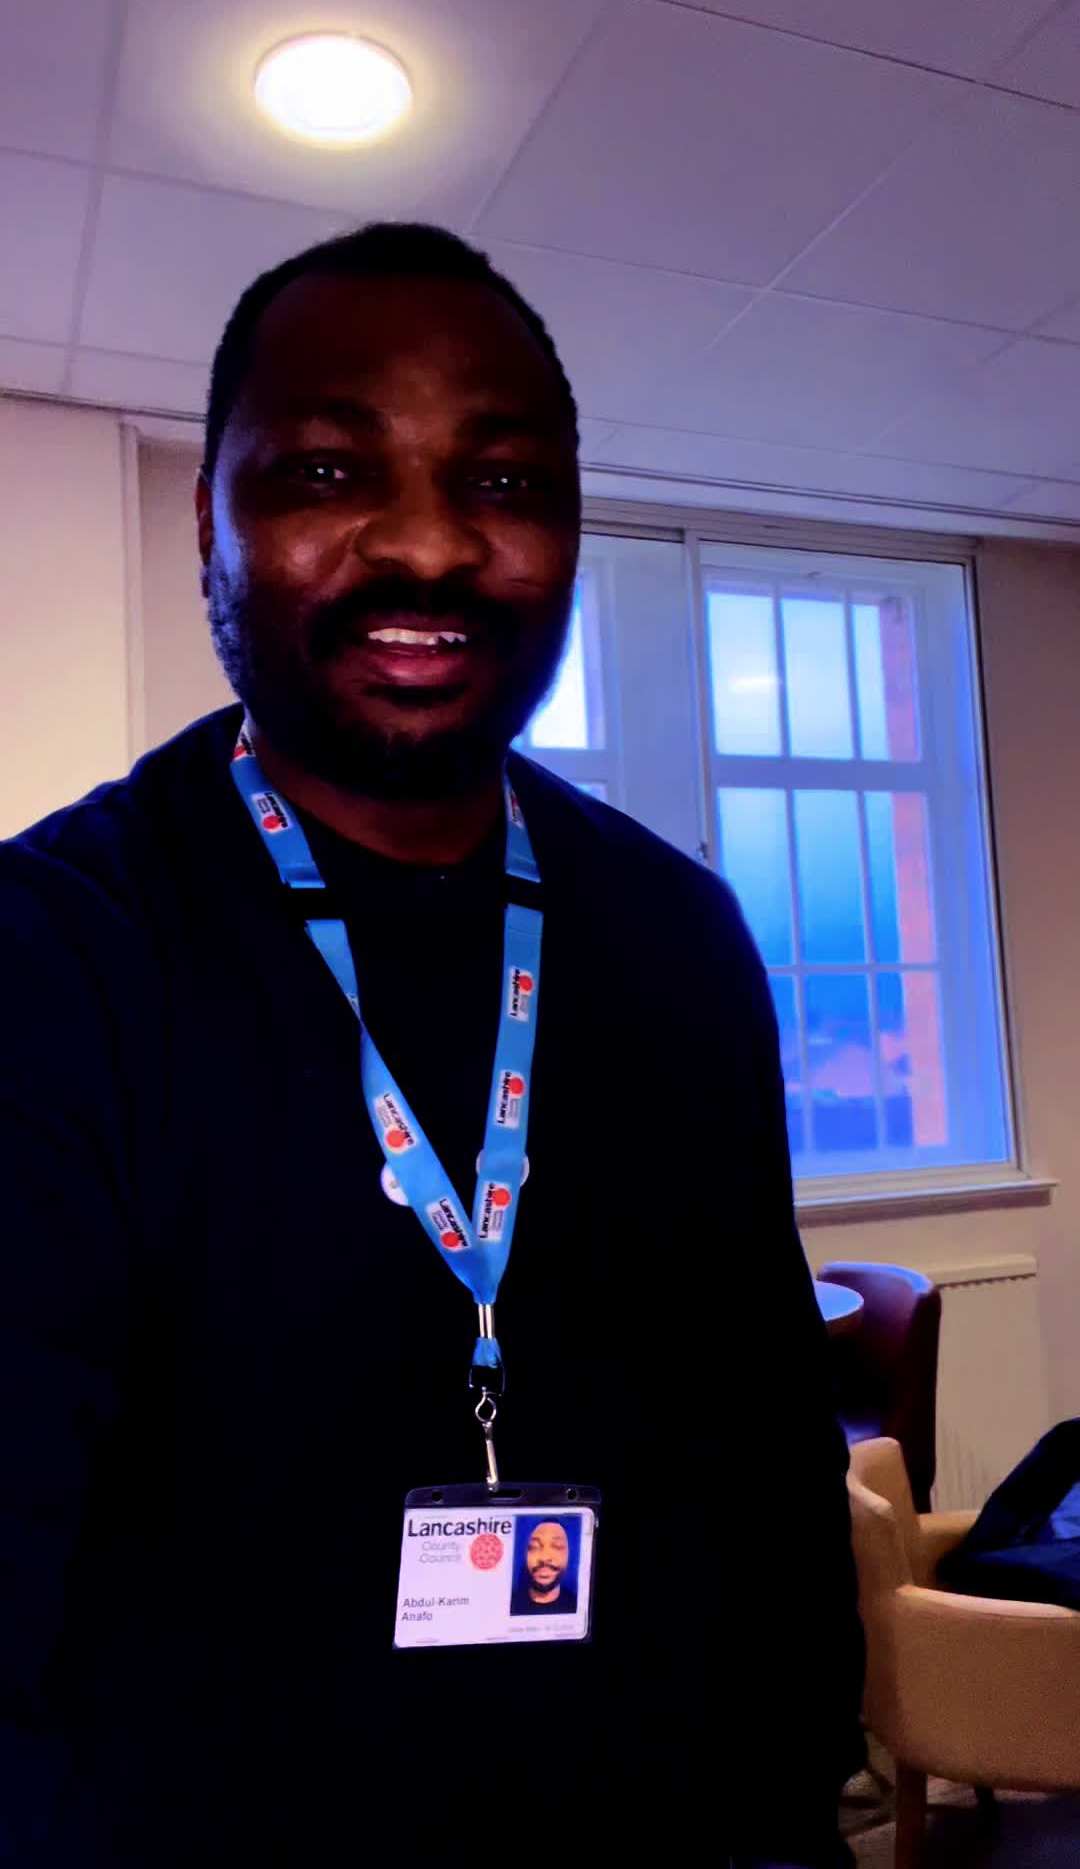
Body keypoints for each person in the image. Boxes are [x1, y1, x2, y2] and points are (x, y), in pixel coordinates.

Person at [0, 222, 862, 1867]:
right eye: (328, 471)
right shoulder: (59, 955)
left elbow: (763, 1445)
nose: (428, 544)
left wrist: (788, 1810)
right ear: (210, 519)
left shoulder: (679, 936)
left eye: (506, 482)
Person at [510, 1518, 578, 1615]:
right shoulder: (508, 1606)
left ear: (569, 1554)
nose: (545, 1558)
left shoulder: (578, 1606)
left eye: (557, 1546)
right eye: (534, 1547)